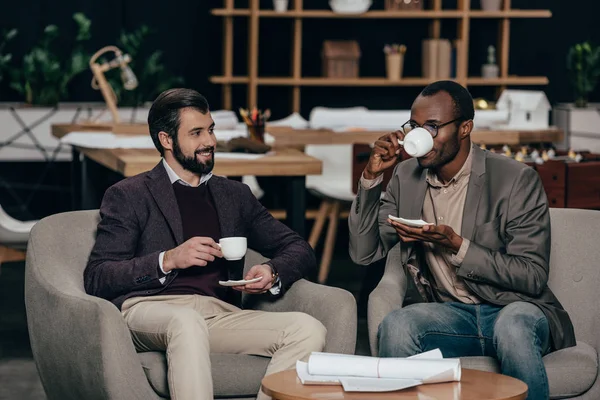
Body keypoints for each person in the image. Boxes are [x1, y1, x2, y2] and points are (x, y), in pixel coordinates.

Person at [84, 88, 327, 400]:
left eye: (210, 130)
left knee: (307, 329)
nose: (210, 141)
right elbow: (97, 277)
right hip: (148, 309)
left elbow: (299, 248)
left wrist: (272, 270)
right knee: (186, 322)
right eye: (196, 132)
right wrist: (167, 260)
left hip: (217, 312)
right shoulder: (129, 194)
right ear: (166, 140)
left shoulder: (235, 196)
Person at [348, 80, 575, 399]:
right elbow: (363, 252)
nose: (421, 135)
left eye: (432, 126)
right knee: (397, 326)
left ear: (465, 127)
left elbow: (533, 276)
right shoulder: (405, 177)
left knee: (512, 327)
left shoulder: (515, 179)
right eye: (415, 126)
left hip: (513, 308)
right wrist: (371, 178)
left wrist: (457, 246)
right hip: (450, 314)